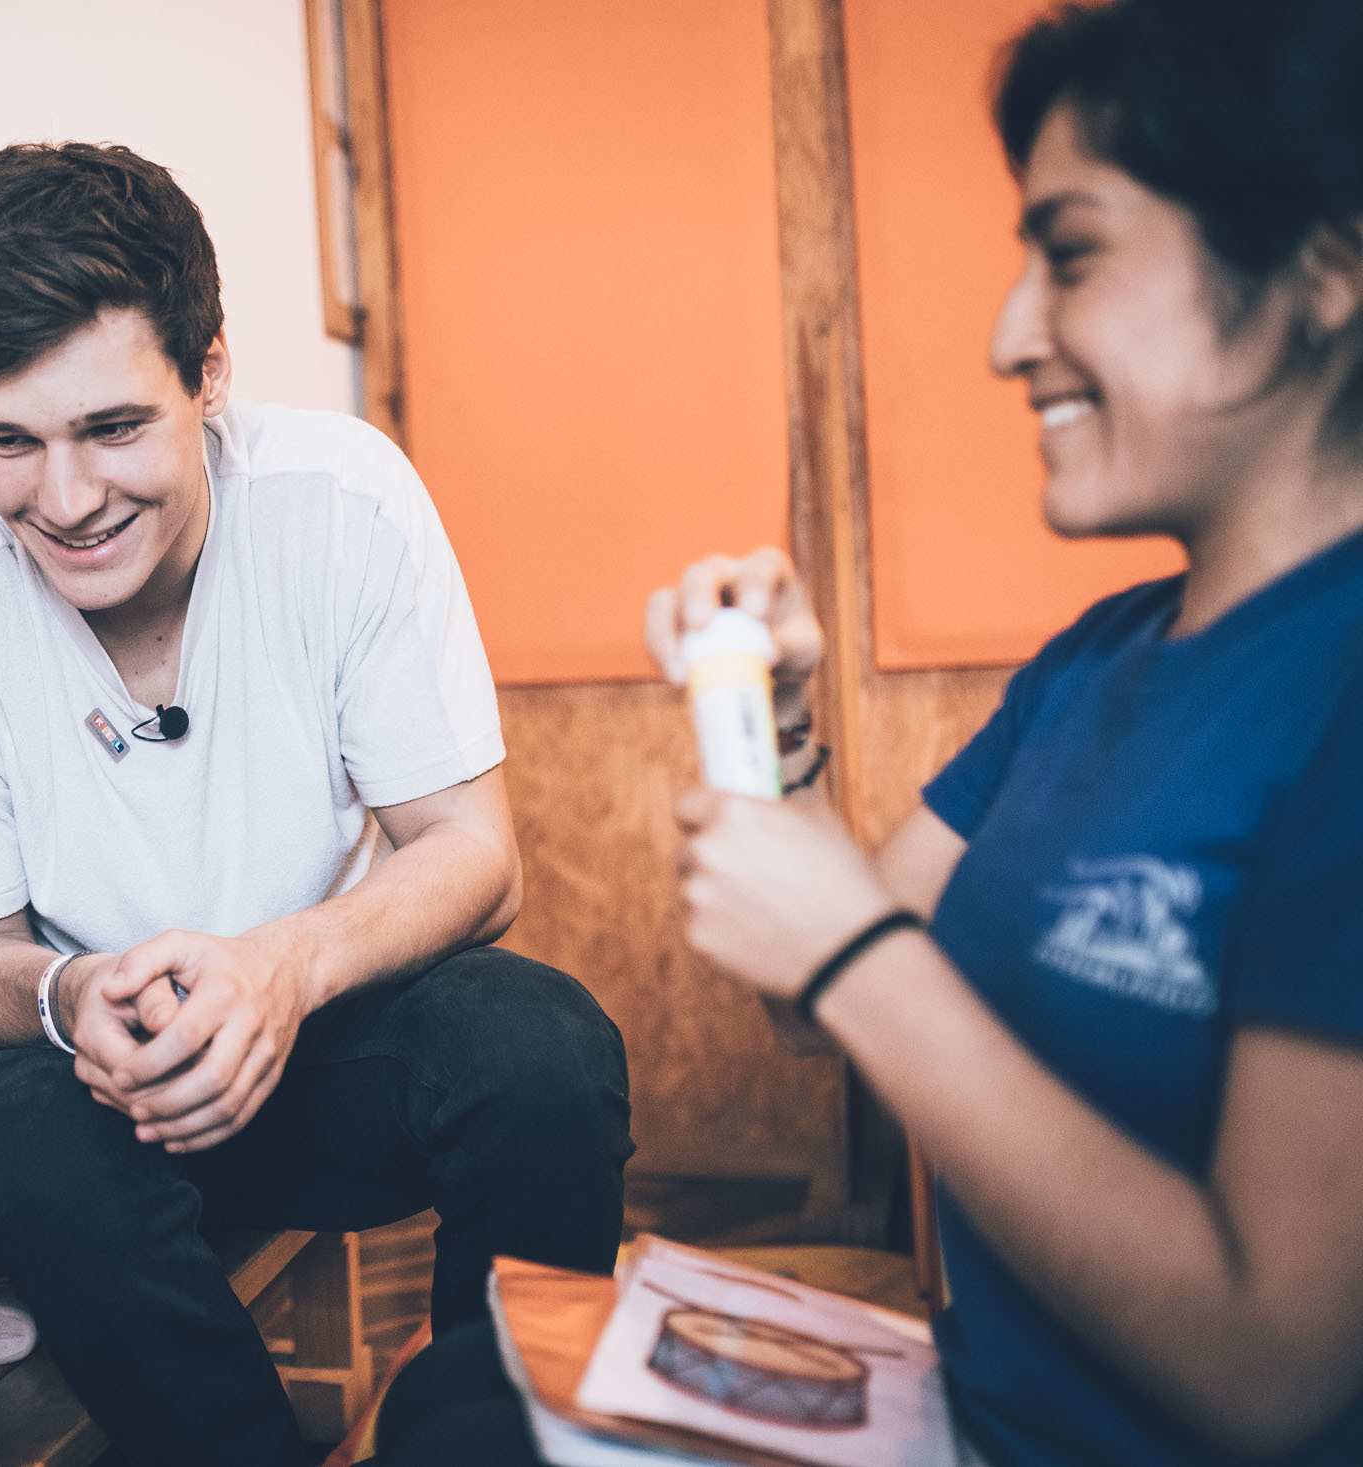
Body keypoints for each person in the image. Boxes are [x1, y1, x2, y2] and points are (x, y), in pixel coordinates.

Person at [376, 0, 1363, 1462]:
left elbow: (1276, 1369)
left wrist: (851, 949)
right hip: (979, 1400)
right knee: (457, 1389)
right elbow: (815, 1002)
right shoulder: (1095, 663)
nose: (1006, 331)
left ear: (1324, 271)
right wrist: (769, 733)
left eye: (1073, 255)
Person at [0, 142, 633, 1466]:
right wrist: (75, 993)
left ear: (209, 371)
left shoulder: (341, 498)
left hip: (334, 1036)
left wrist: (279, 970)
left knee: (539, 1039)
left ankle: (500, 1443)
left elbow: (476, 854)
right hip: (118, 1104)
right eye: (9, 443)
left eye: (114, 428)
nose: (68, 498)